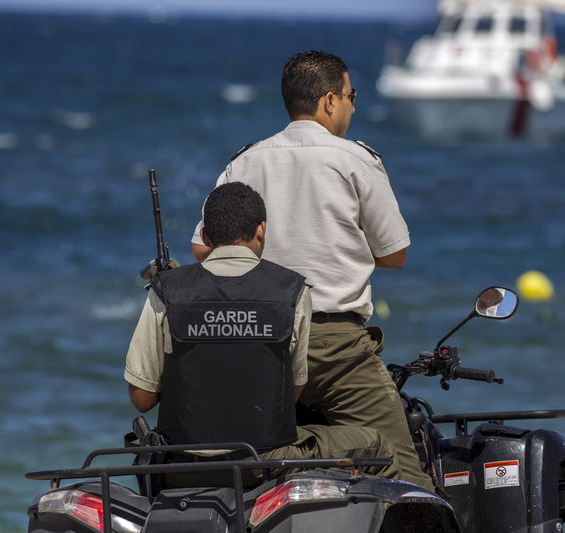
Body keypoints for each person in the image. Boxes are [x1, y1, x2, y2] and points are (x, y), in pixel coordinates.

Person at [189, 51, 432, 489]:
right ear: (329, 101)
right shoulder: (356, 160)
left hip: (259, 341)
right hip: (335, 350)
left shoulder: (245, 162)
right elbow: (395, 254)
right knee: (406, 478)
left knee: (261, 464)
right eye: (351, 95)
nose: (354, 106)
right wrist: (341, 251)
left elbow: (201, 247)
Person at [125, 182, 399, 485]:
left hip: (180, 465)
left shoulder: (167, 290)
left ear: (204, 235)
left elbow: (142, 398)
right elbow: (292, 391)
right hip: (264, 463)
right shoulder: (292, 290)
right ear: (262, 229)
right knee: (378, 446)